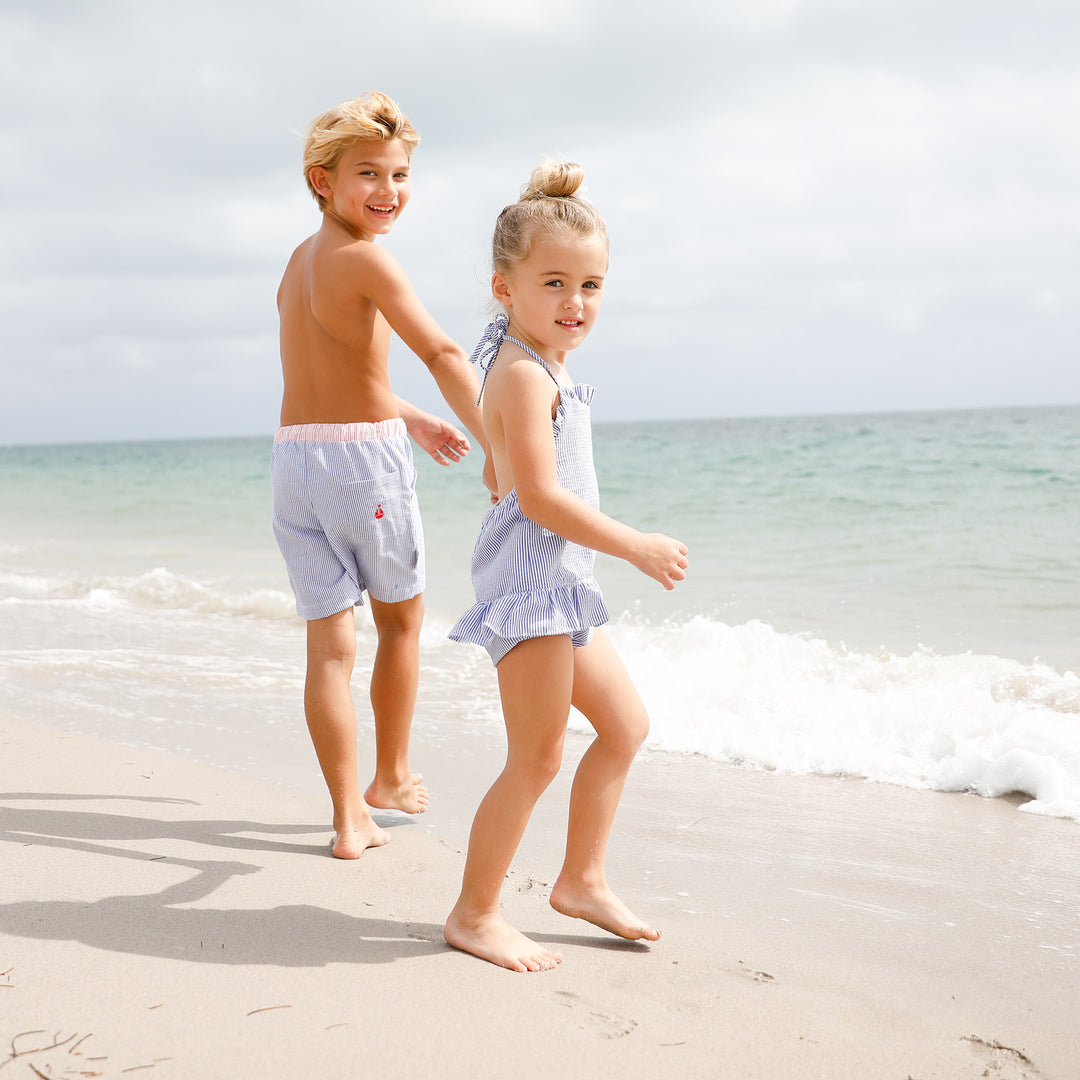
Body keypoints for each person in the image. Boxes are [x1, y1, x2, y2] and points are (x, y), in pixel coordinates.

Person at [444, 163, 689, 971]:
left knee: (625, 726)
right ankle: (475, 913)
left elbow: (506, 470)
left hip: (563, 585)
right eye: (554, 282)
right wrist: (636, 544)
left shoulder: (543, 361)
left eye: (591, 284)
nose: (575, 302)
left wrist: (500, 474)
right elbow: (543, 499)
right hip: (531, 588)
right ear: (504, 287)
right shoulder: (520, 370)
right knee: (537, 756)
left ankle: (581, 879)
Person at [273, 92, 489, 860]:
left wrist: (410, 416)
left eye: (399, 175)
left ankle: (346, 817)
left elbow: (333, 377)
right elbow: (442, 353)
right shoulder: (369, 258)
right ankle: (390, 778)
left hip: (295, 462)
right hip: (362, 469)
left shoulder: (300, 263)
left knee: (329, 648)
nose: (389, 191)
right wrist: (495, 439)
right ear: (322, 180)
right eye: (369, 173)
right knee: (400, 623)